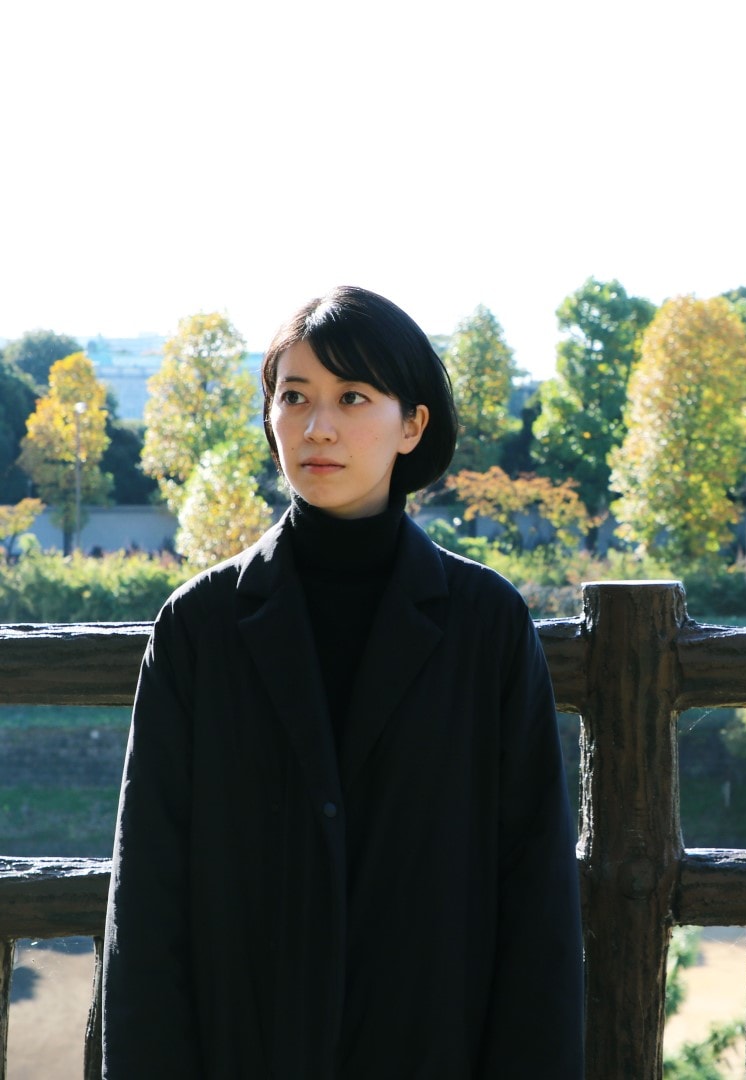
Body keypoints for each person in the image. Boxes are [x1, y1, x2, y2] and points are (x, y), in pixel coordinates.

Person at [102, 286, 584, 1078]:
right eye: (294, 397)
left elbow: (537, 900)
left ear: (413, 424)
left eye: (352, 397)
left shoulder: (486, 625)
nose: (316, 427)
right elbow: (146, 901)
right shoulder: (198, 628)